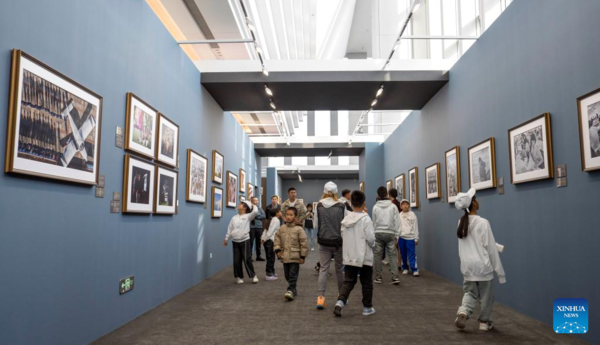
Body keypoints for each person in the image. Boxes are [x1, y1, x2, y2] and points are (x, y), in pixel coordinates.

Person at [454, 188, 506, 331]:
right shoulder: (483, 222)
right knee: (486, 297)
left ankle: (464, 311)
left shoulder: (461, 223)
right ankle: (484, 321)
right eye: (476, 199)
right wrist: (500, 273)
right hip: (483, 267)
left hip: (467, 267)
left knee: (470, 293)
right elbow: (490, 248)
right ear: (474, 203)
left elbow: (471, 243)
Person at [334, 190, 376, 317]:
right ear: (364, 203)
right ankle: (367, 308)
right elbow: (371, 238)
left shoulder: (345, 219)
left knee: (349, 281)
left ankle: (340, 302)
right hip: (364, 257)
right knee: (367, 282)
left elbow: (342, 236)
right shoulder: (366, 219)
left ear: (351, 203)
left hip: (349, 256)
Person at [315, 182, 349, 309]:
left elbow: (316, 225)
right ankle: (342, 297)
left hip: (323, 241)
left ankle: (320, 299)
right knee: (340, 270)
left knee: (323, 269)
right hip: (338, 242)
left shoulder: (318, 205)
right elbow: (345, 224)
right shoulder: (341, 205)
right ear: (336, 192)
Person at [274, 207, 308, 301]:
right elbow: (277, 239)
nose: (288, 217)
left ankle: (290, 290)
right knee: (287, 275)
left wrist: (302, 256)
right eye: (287, 215)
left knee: (293, 274)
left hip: (295, 256)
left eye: (291, 215)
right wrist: (277, 250)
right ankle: (293, 288)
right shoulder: (282, 228)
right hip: (285, 256)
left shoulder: (299, 229)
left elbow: (304, 243)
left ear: (295, 217)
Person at [223, 201, 260, 284]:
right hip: (235, 241)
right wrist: (226, 238)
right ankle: (239, 277)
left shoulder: (248, 216)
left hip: (245, 240)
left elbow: (255, 211)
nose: (238, 205)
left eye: (240, 204)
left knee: (247, 259)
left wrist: (253, 204)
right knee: (236, 260)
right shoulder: (234, 217)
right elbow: (230, 228)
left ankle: (253, 276)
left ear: (245, 207)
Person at [372, 186, 401, 285]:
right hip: (391, 233)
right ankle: (395, 277)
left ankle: (378, 277)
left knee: (377, 255)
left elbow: (374, 222)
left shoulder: (375, 207)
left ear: (377, 195)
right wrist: (397, 234)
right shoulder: (393, 206)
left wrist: (374, 232)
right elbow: (397, 221)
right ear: (387, 194)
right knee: (393, 255)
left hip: (378, 233)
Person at [398, 199, 420, 276]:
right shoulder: (399, 215)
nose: (405, 206)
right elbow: (397, 227)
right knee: (403, 254)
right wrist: (397, 237)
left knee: (412, 254)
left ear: (409, 206)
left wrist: (416, 238)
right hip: (401, 237)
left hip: (410, 237)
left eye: (406, 204)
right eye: (403, 204)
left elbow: (415, 227)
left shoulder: (412, 215)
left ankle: (414, 269)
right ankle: (405, 268)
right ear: (400, 206)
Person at [262, 208, 282, 281]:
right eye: (280, 211)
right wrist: (264, 239)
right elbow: (270, 231)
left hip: (269, 241)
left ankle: (272, 272)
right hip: (270, 241)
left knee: (271, 257)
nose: (281, 212)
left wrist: (263, 238)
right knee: (270, 258)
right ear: (277, 213)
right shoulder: (276, 220)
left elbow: (266, 230)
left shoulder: (271, 219)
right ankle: (268, 274)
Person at [249, 196, 266, 261]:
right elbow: (250, 215)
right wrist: (257, 214)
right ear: (252, 201)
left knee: (258, 242)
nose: (256, 202)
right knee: (251, 242)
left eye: (257, 200)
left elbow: (264, 216)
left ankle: (258, 256)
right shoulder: (249, 208)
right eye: (255, 200)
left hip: (259, 227)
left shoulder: (260, 208)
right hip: (252, 227)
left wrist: (256, 215)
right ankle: (249, 256)